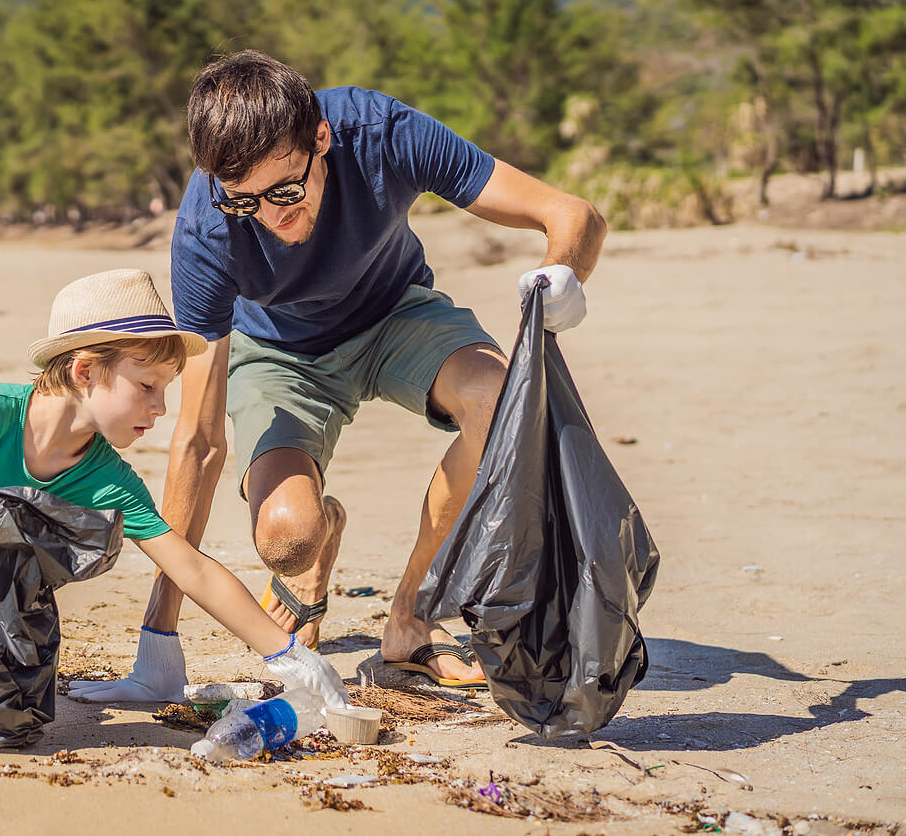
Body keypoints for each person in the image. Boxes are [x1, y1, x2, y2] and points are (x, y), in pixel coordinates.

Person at [68, 50, 605, 706]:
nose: (270, 215)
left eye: (286, 189)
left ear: (321, 137)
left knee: (500, 399)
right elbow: (199, 442)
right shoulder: (208, 229)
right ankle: (317, 543)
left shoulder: (380, 133)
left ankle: (410, 615)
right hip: (278, 353)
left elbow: (572, 215)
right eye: (245, 201)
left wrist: (560, 281)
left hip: (394, 313)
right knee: (285, 537)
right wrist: (158, 642)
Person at [0, 267, 350, 726]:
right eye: (146, 387)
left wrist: (286, 653)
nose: (160, 409)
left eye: (165, 392)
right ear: (84, 371)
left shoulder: (104, 477)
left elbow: (191, 568)